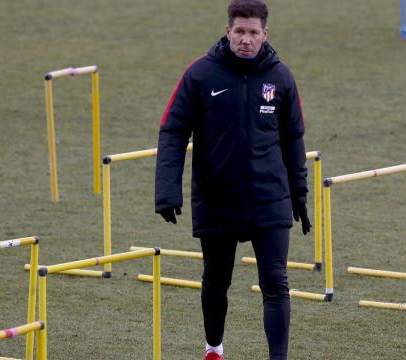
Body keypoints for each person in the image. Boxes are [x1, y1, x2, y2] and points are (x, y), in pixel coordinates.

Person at [154, 1, 310, 359]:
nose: (246, 39)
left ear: (264, 34)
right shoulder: (200, 74)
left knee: (276, 284)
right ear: (228, 32)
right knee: (216, 281)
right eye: (239, 31)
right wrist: (166, 190)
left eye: (253, 33)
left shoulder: (281, 77)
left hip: (269, 198)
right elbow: (173, 130)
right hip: (217, 197)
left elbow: (294, 138)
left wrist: (299, 194)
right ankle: (214, 348)